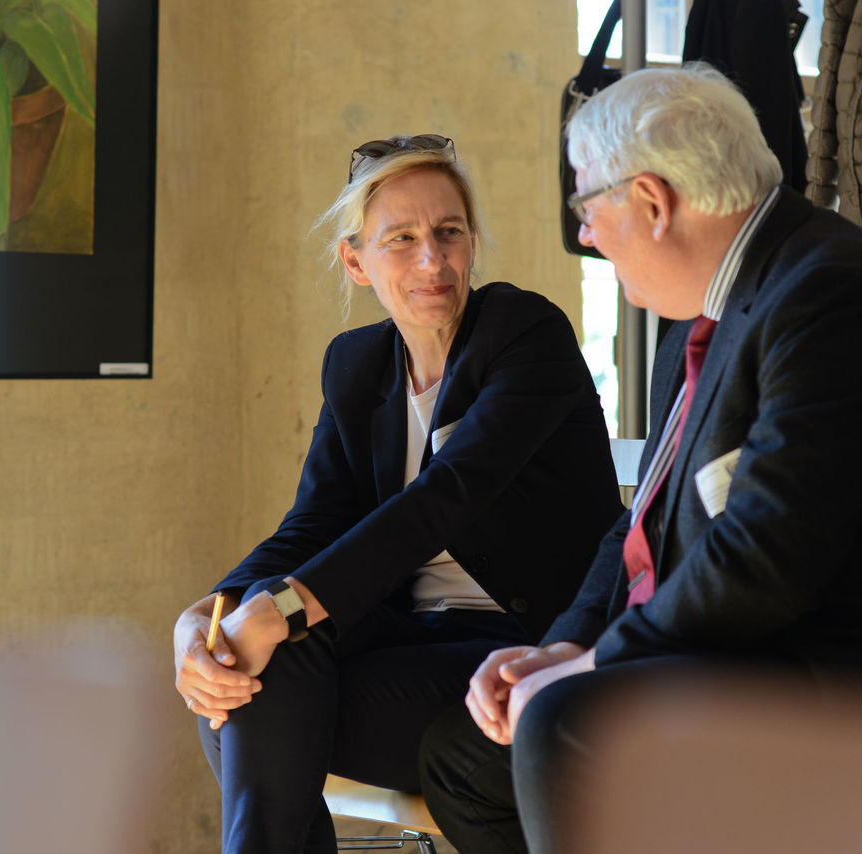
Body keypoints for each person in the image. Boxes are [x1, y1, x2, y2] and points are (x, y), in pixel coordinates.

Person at [417, 64, 862, 854]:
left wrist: (590, 672)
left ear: (652, 203)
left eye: (587, 204)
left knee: (569, 722)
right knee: (463, 758)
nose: (584, 232)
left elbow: (763, 555)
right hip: (771, 661)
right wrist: (568, 644)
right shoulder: (726, 306)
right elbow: (641, 527)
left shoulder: (835, 301)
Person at [171, 133, 624, 854]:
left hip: (522, 650)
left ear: (473, 242)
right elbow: (313, 522)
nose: (431, 261)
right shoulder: (355, 366)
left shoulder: (525, 334)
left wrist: (278, 610)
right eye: (401, 239)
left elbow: (445, 496)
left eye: (449, 233)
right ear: (356, 261)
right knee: (246, 672)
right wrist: (205, 615)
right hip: (411, 641)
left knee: (251, 699)